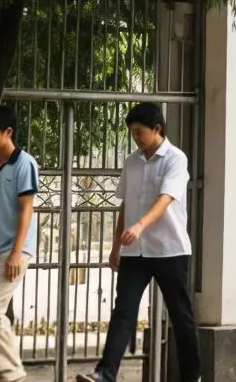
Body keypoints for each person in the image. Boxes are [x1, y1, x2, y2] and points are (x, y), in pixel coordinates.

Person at [77, 103, 200, 382]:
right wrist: (116, 246)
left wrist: (140, 225)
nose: (135, 138)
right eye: (132, 133)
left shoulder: (175, 159)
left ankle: (192, 377)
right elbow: (126, 205)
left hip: (169, 250)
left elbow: (166, 199)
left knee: (181, 315)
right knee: (123, 311)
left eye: (139, 132)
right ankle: (105, 374)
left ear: (157, 129)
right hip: (135, 252)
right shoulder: (132, 162)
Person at [0, 104, 38, 382]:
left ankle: (12, 375)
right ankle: (1, 375)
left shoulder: (25, 164)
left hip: (15, 250)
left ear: (8, 132)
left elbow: (26, 209)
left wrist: (15, 254)